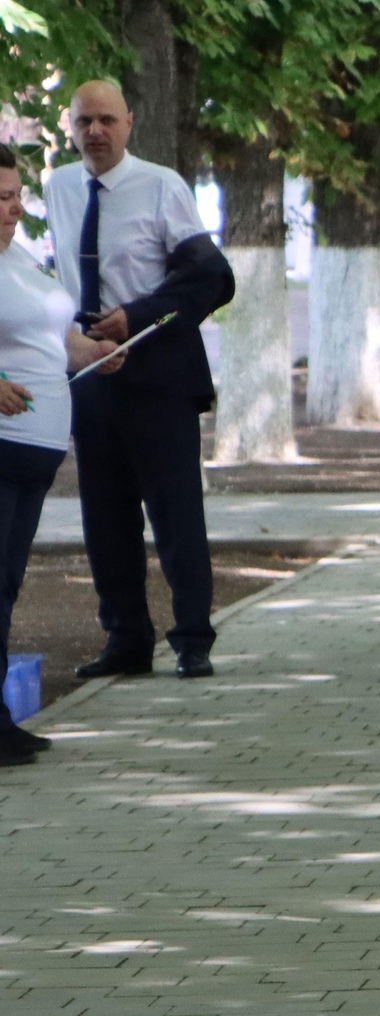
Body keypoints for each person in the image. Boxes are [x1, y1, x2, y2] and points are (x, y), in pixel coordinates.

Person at [47, 80, 234, 681]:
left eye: (106, 120)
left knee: (176, 515)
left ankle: (192, 640)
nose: (95, 132)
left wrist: (138, 317)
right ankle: (126, 640)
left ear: (129, 123)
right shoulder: (58, 187)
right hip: (92, 374)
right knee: (105, 517)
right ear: (69, 127)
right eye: (84, 123)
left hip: (156, 372)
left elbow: (212, 279)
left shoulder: (160, 186)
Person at [0, 151, 123, 765]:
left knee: (7, 582)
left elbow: (52, 337)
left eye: (15, 195)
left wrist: (91, 348)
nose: (11, 209)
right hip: (3, 445)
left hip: (35, 448)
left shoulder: (18, 260)